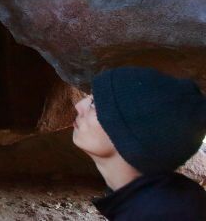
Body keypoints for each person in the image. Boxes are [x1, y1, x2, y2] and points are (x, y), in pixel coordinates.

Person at [72, 66, 206, 220]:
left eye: (94, 104)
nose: (78, 105)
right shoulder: (159, 203)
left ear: (129, 136)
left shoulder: (160, 214)